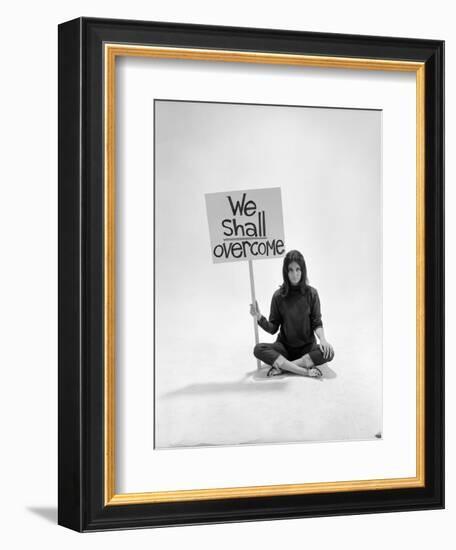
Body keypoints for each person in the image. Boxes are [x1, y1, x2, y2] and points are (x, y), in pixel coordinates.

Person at [250, 249, 334, 378]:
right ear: (286, 272)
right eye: (290, 270)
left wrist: (323, 340)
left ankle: (284, 367)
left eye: (298, 269)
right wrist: (259, 317)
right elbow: (273, 328)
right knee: (258, 349)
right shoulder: (278, 296)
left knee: (329, 352)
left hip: (307, 349)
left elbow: (316, 322)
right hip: (284, 349)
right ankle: (304, 370)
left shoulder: (312, 294)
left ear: (303, 270)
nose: (295, 274)